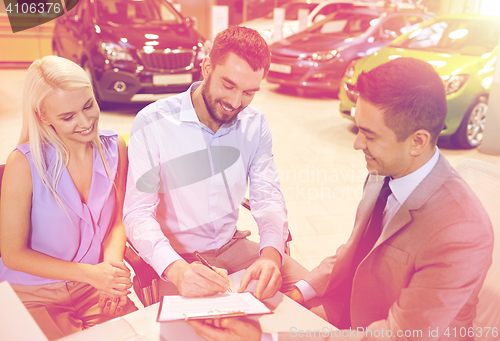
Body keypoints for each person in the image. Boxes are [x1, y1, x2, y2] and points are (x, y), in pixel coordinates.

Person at [187, 57, 494, 340]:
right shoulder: (385, 170)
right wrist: (299, 293)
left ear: (417, 141)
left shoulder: (460, 231)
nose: (358, 144)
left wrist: (267, 337)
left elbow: (394, 335)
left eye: (370, 135)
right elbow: (355, 249)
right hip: (354, 309)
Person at [123, 25, 309, 300]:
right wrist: (176, 270)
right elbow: (137, 214)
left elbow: (267, 197)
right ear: (207, 67)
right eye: (228, 85)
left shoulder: (255, 125)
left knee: (314, 293)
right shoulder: (153, 122)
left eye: (249, 92)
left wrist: (270, 254)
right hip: (179, 258)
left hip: (233, 246)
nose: (235, 102)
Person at [0, 56, 137, 340]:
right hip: (32, 292)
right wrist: (92, 275)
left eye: (88, 105)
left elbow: (118, 222)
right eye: (68, 116)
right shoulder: (22, 164)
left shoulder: (116, 148)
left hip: (93, 286)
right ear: (42, 116)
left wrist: (110, 272)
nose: (86, 122)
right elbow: (13, 255)